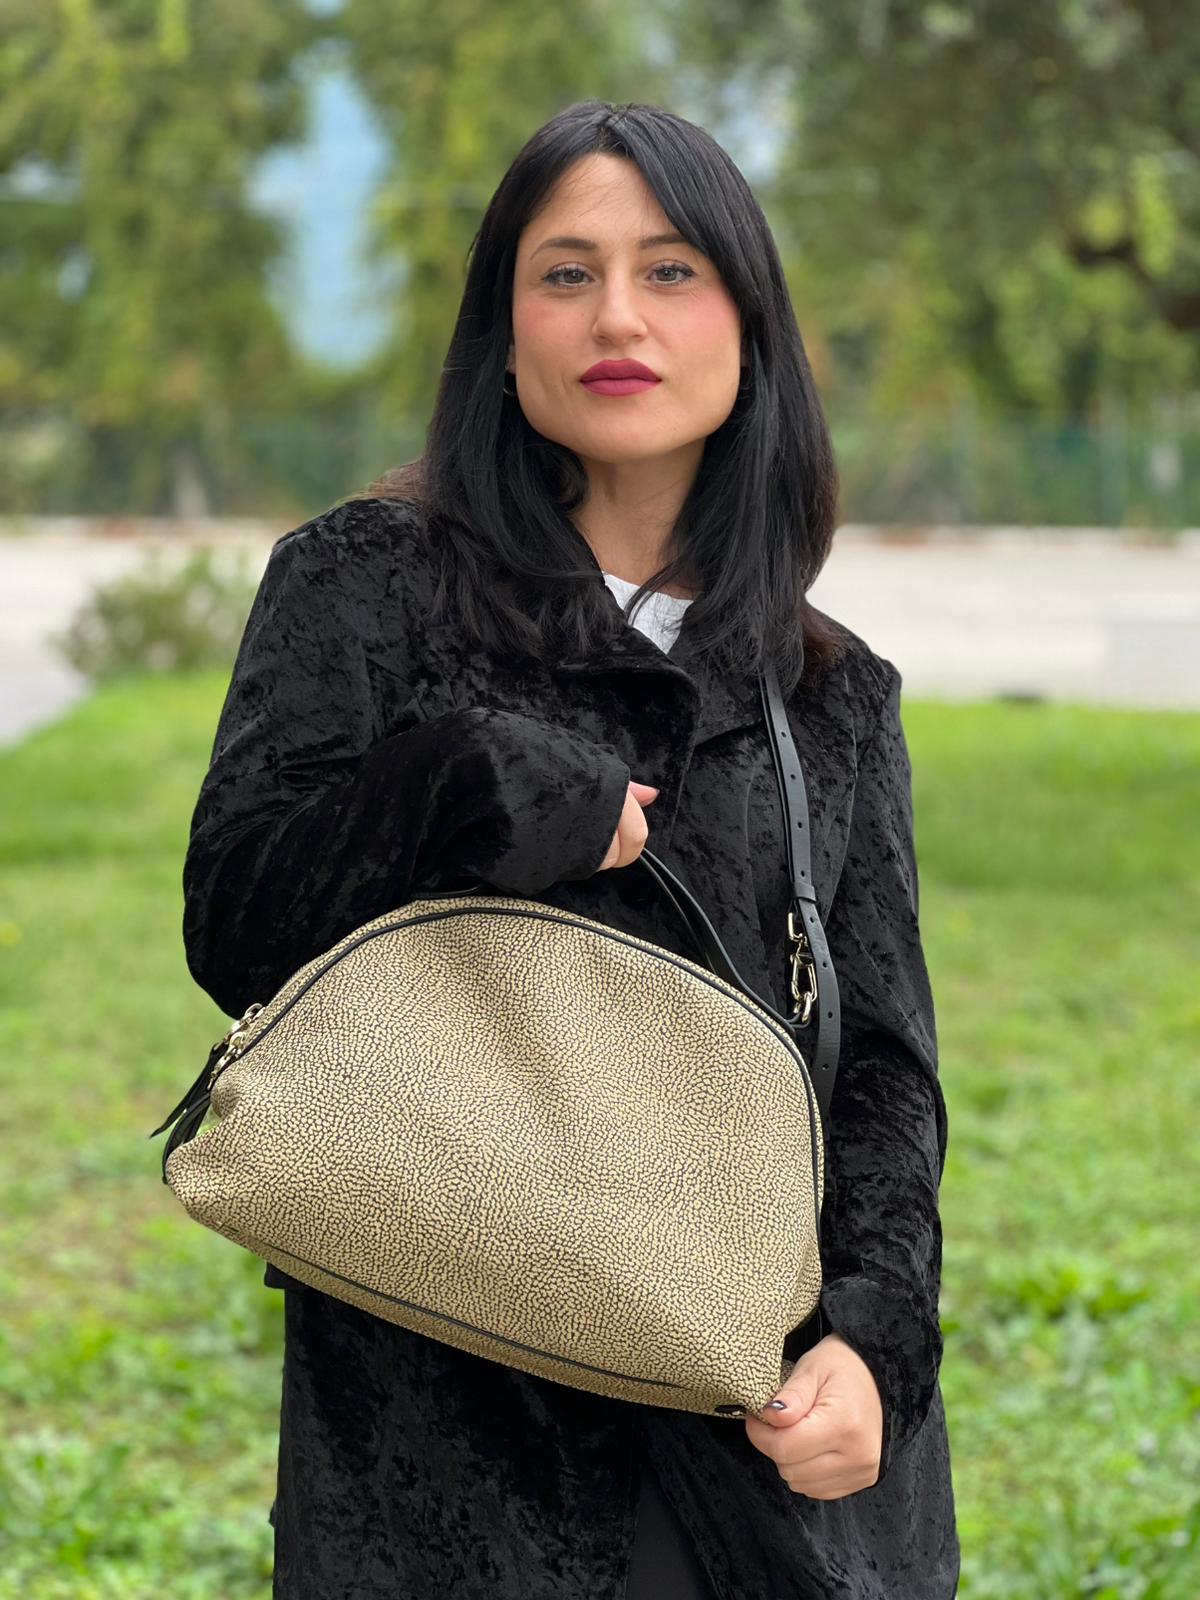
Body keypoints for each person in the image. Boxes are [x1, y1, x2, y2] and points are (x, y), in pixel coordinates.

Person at [181, 99, 959, 1599]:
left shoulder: (828, 689)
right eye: (565, 273)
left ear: (750, 330)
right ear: (503, 331)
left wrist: (873, 1338)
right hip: (443, 1422)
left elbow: (882, 1063)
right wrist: (468, 782)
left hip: (756, 1417)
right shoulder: (364, 582)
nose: (618, 317)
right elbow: (238, 926)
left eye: (671, 271)